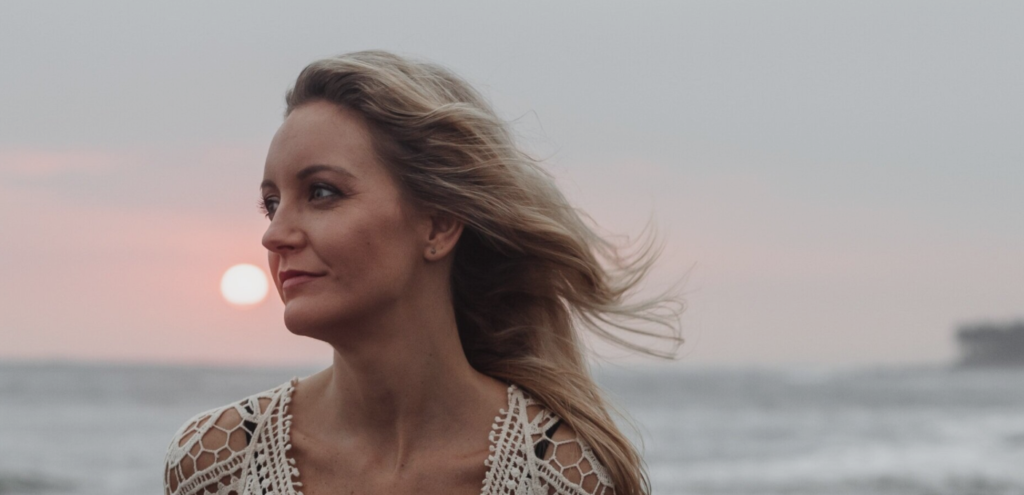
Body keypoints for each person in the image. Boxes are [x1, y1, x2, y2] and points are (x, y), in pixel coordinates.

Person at [163, 50, 683, 495]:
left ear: (438, 223)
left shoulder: (560, 474)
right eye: (271, 204)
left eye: (321, 193)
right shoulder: (217, 463)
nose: (275, 235)